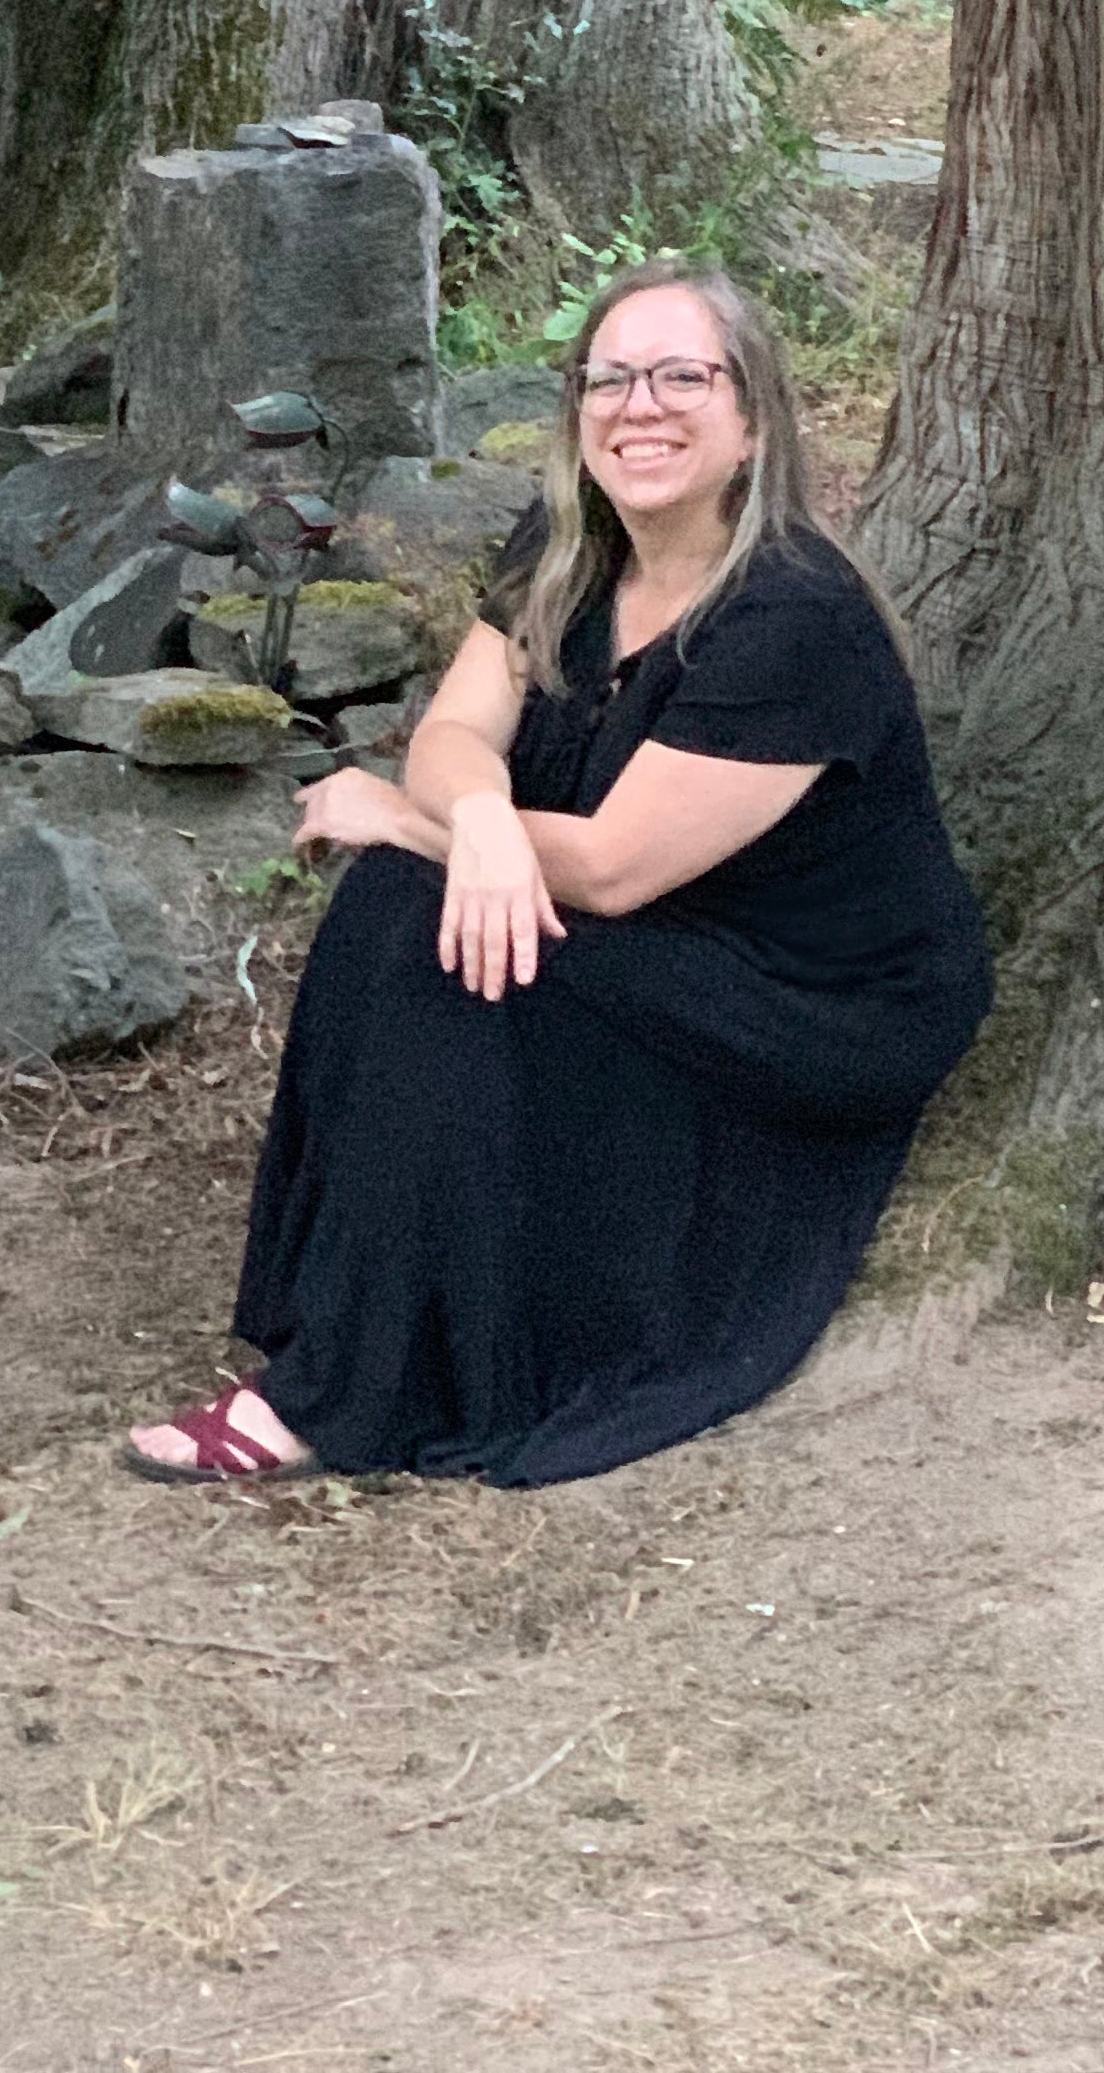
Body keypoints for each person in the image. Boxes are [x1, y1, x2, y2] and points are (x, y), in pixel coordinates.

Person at [122, 260, 990, 1487]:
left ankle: (338, 1397)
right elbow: (450, 734)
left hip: (816, 1001)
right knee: (402, 907)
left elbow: (614, 871)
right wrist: (470, 823)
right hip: (666, 928)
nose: (642, 405)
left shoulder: (794, 619)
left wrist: (420, 827)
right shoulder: (570, 546)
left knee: (413, 918)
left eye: (685, 376)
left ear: (752, 421)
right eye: (611, 378)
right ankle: (350, 1330)